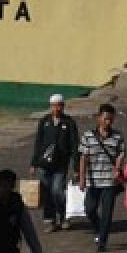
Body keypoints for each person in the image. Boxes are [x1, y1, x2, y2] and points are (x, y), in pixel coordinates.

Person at [77, 103, 126, 249]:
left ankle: (102, 241)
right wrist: (82, 179)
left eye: (110, 119)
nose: (108, 122)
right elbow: (83, 158)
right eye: (105, 119)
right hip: (93, 181)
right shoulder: (88, 136)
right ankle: (99, 228)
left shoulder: (118, 136)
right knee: (89, 209)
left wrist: (117, 168)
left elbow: (120, 154)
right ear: (98, 118)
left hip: (110, 182)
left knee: (107, 212)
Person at [30, 94, 79, 232]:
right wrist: (33, 163)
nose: (57, 108)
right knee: (46, 192)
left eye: (59, 105)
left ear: (63, 106)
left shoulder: (69, 123)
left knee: (57, 191)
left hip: (60, 164)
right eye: (54, 105)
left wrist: (76, 167)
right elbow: (38, 143)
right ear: (50, 106)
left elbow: (75, 145)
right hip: (45, 164)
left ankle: (64, 216)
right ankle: (50, 220)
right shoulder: (44, 122)